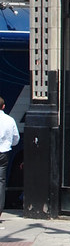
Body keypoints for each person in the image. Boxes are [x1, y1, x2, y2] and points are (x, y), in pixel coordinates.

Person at [0, 96, 19, 227]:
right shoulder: (10, 120)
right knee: (1, 182)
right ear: (3, 106)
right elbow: (15, 139)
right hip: (4, 153)